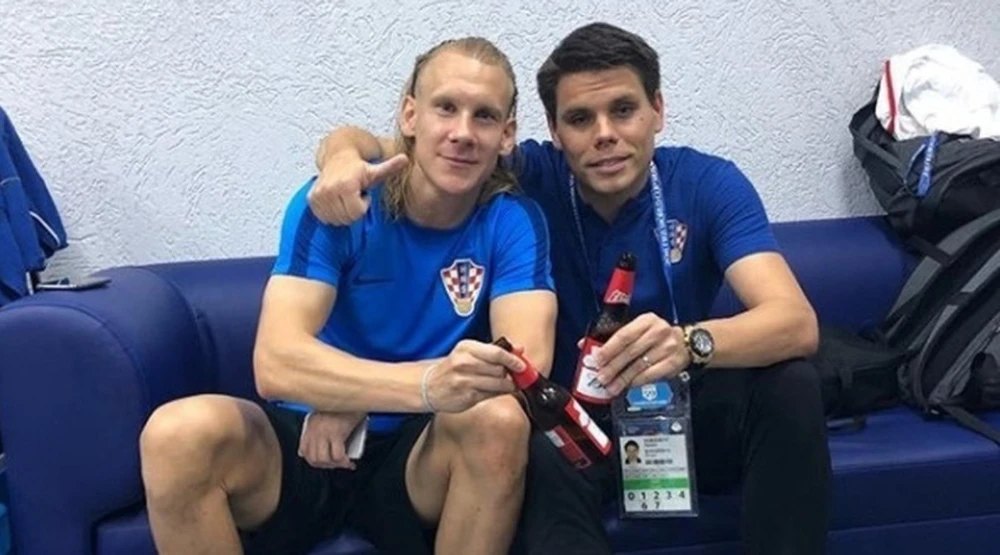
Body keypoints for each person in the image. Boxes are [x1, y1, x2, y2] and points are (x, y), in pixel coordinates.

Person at [308, 22, 831, 555]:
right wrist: (341, 156)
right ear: (555, 132)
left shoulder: (708, 184)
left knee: (790, 384)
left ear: (657, 110)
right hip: (568, 425)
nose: (604, 134)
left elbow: (794, 321)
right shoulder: (530, 173)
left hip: (675, 410)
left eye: (623, 110)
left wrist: (687, 343)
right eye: (580, 119)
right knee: (528, 442)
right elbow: (407, 145)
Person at [138, 36, 558, 555]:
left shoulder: (513, 220)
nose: (463, 133)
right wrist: (379, 393)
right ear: (410, 115)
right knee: (176, 434)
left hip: (417, 454)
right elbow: (276, 363)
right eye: (446, 107)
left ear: (507, 135)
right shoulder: (338, 202)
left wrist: (361, 396)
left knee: (499, 419)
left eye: (485, 116)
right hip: (301, 439)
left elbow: (521, 369)